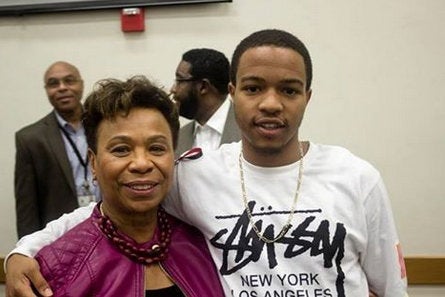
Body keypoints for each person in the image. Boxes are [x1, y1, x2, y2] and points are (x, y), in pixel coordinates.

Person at [5, 29, 408, 297]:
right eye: (253, 88)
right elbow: (102, 214)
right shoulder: (194, 173)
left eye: (289, 89)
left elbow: (390, 288)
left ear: (308, 96)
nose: (270, 103)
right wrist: (23, 250)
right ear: (233, 92)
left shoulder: (357, 178)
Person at [11, 75, 225, 296]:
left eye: (157, 148)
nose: (142, 163)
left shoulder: (205, 243)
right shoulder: (55, 270)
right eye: (121, 149)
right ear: (93, 163)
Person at [14, 61, 98, 238]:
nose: (62, 88)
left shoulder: (103, 126)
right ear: (46, 90)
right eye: (53, 84)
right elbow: (26, 207)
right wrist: (27, 250)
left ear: (81, 84)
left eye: (69, 81)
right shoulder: (30, 138)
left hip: (108, 227)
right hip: (60, 237)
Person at [170, 48, 241, 157]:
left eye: (180, 81)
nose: (173, 89)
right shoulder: (178, 138)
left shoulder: (248, 131)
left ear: (203, 86)